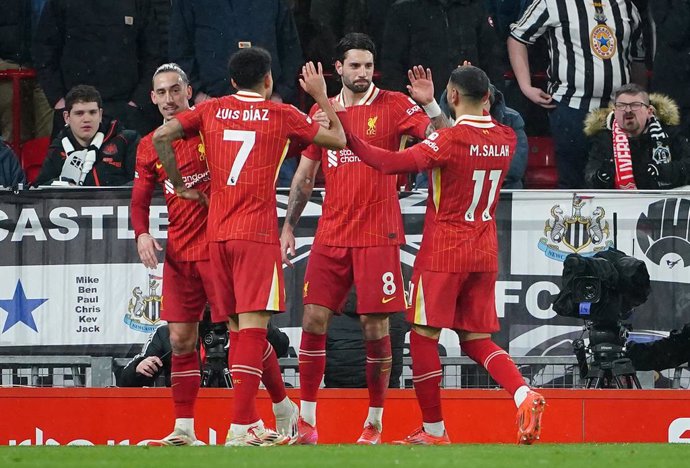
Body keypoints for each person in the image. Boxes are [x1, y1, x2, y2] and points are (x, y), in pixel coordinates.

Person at [337, 65, 546, 445]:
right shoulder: (506, 136)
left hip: (444, 251)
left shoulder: (449, 141)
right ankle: (523, 393)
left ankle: (434, 430)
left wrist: (345, 131)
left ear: (452, 96)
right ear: (487, 98)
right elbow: (456, 131)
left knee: (422, 336)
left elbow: (387, 163)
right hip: (483, 250)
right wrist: (432, 103)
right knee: (475, 338)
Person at [152, 47, 346, 446]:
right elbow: (338, 138)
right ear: (269, 80)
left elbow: (161, 135)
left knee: (238, 329)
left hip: (217, 235)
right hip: (255, 234)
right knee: (253, 330)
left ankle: (259, 418)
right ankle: (243, 426)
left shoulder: (212, 109)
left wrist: (181, 186)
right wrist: (321, 96)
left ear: (234, 81)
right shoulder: (283, 114)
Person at [280, 32, 443, 445]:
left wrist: (430, 104)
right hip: (331, 233)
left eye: (368, 66)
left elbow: (445, 141)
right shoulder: (323, 111)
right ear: (339, 68)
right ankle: (307, 422)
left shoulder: (394, 105)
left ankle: (374, 421)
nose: (362, 73)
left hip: (378, 233)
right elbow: (304, 176)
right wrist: (287, 226)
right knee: (312, 320)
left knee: (376, 327)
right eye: (354, 65)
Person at [131, 63, 300, 445]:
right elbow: (139, 200)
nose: (170, 99)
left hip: (220, 248)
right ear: (152, 98)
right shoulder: (149, 144)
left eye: (176, 90)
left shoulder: (212, 125)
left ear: (189, 91)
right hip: (180, 255)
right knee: (180, 341)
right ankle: (184, 430)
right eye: (161, 92)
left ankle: (275, 407)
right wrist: (142, 233)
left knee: (243, 334)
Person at [508, 0, 647, 189]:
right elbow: (517, 38)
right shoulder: (553, 3)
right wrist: (526, 86)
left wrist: (638, 101)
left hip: (617, 113)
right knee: (573, 183)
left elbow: (638, 59)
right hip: (571, 108)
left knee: (621, 183)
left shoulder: (627, 6)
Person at [32, 0, 161, 137]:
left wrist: (137, 102)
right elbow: (43, 50)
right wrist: (58, 101)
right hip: (74, 108)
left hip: (125, 111)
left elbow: (153, 54)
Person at [169, 0, 303, 105]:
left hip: (268, 105)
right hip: (211, 105)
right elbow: (180, 51)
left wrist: (279, 96)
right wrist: (199, 97)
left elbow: (291, 49)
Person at [380, 0, 503, 101]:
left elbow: (492, 61)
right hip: (419, 109)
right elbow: (391, 66)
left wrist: (492, 101)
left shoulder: (475, 7)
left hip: (471, 107)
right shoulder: (403, 10)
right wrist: (406, 107)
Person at [417, 83, 528, 189]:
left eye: (478, 101)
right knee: (426, 180)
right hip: (448, 187)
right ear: (453, 99)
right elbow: (425, 166)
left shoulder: (511, 119)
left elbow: (516, 168)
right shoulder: (433, 119)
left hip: (496, 187)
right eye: (467, 101)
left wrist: (462, 165)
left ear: (488, 98)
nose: (473, 109)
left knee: (513, 184)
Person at [117, 321, 290, 388]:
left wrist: (253, 322)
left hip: (236, 402)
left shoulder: (241, 324)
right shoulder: (167, 332)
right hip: (183, 409)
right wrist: (138, 367)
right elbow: (126, 382)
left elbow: (281, 346)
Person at [584, 84, 690, 189]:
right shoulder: (604, 139)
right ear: (615, 112)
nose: (628, 110)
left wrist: (663, 171)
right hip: (622, 204)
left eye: (635, 105)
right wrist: (601, 176)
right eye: (621, 106)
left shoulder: (670, 134)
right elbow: (590, 177)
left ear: (649, 111)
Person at [33, 85, 138, 187]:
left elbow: (142, 183)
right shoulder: (58, 147)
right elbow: (38, 190)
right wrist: (62, 184)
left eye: (92, 112)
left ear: (100, 115)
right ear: (66, 117)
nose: (87, 119)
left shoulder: (126, 141)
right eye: (79, 113)